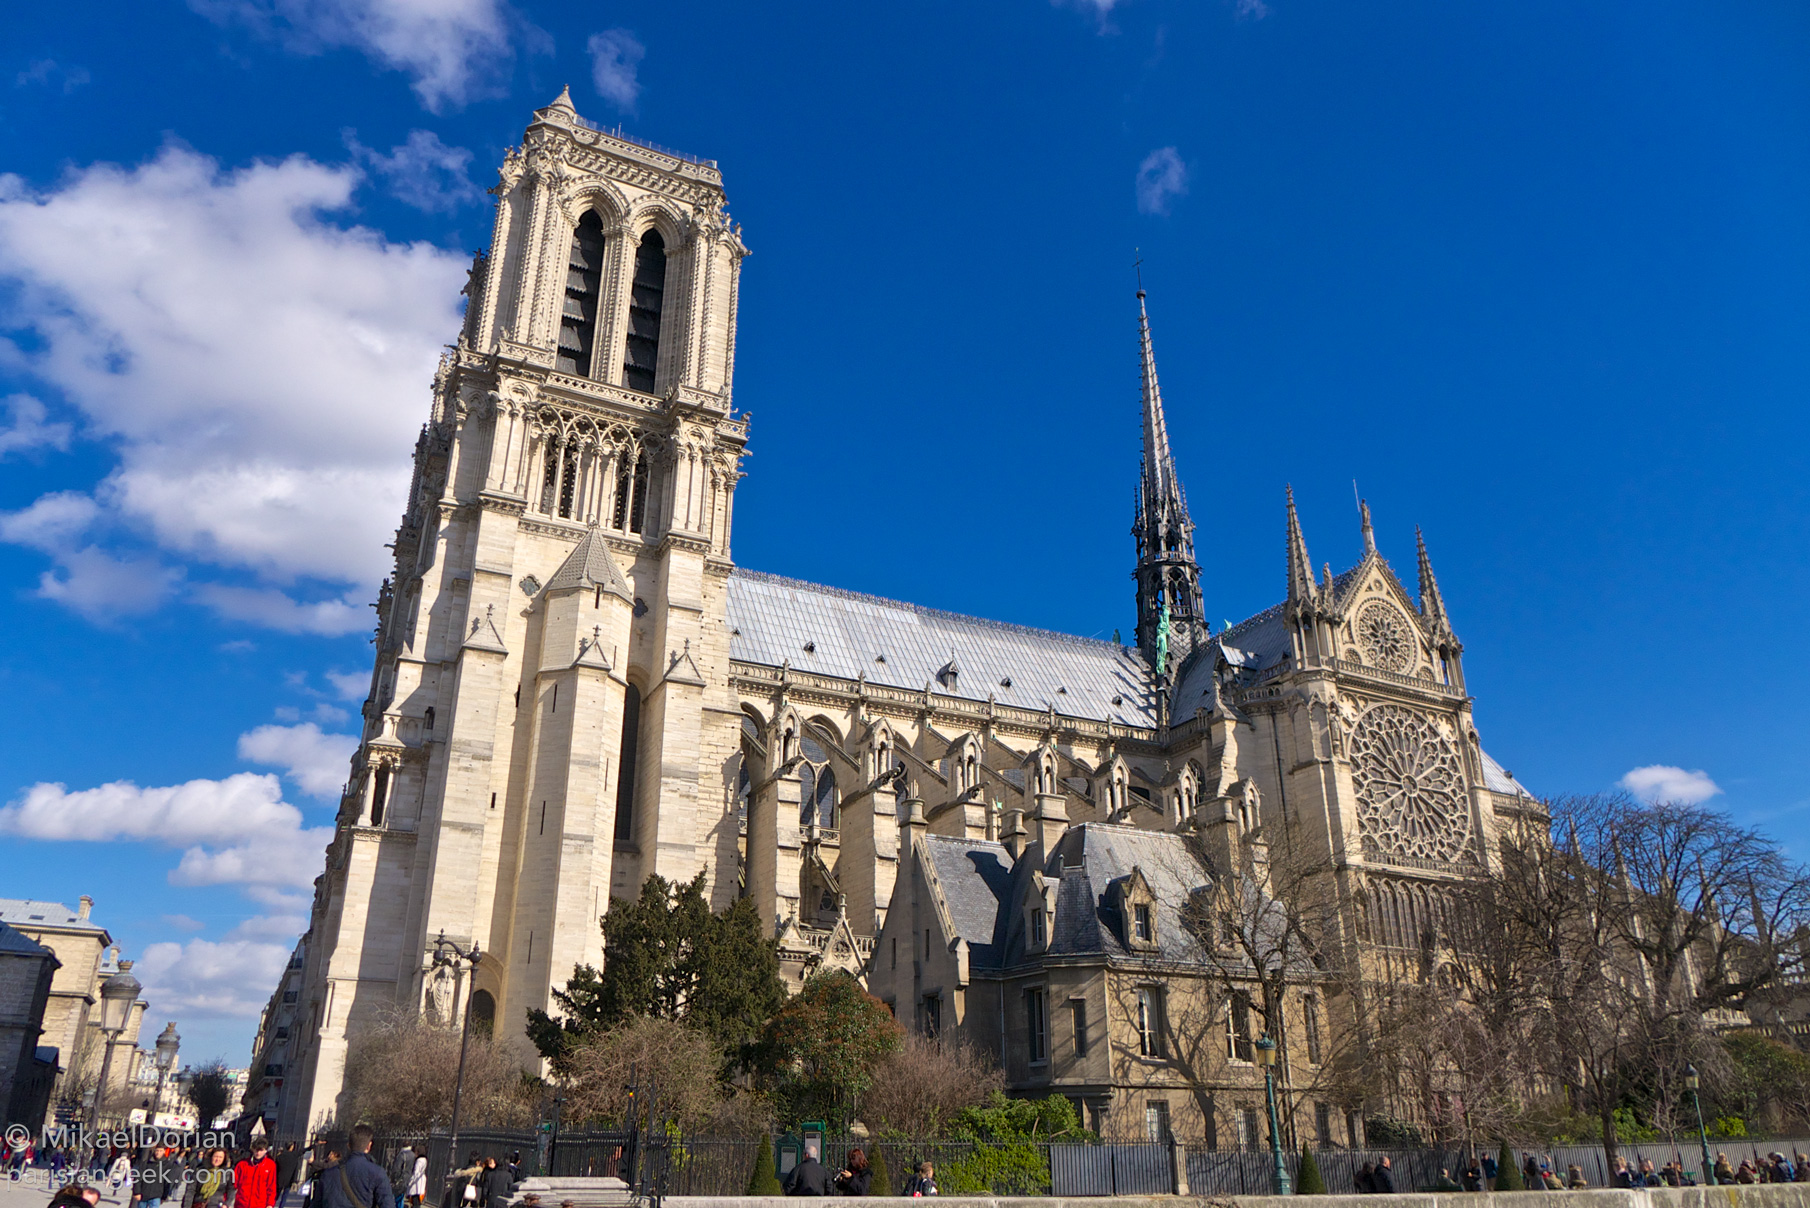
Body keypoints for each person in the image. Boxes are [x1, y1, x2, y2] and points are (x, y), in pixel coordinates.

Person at [317, 1126, 395, 1208]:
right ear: (369, 1146)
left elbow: (316, 1204)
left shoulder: (328, 1173)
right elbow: (387, 1204)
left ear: (349, 1146)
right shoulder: (378, 1172)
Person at [237, 1141, 282, 1208]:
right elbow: (233, 1185)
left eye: (261, 1150)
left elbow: (271, 1186)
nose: (258, 1153)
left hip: (259, 1204)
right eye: (256, 1150)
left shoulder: (270, 1165)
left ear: (265, 1150)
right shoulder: (242, 1164)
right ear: (253, 1149)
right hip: (242, 1203)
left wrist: (270, 1204)